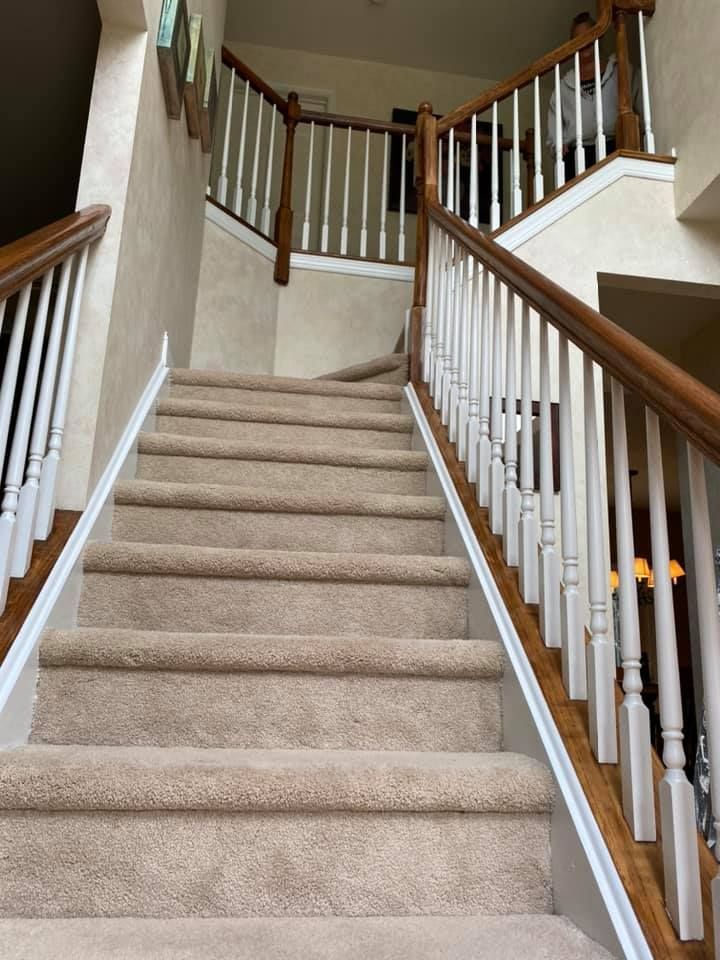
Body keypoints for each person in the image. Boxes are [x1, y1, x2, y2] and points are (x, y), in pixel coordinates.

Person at [547, 11, 640, 182]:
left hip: (615, 145)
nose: (584, 43)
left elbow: (639, 102)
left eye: (588, 36)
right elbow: (554, 131)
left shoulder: (620, 70)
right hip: (578, 155)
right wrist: (558, 146)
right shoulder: (563, 87)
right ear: (572, 44)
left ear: (598, 37)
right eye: (578, 39)